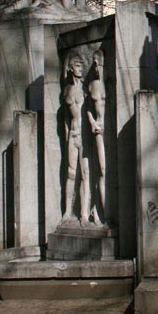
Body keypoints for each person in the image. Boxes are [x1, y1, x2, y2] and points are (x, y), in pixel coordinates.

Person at [62, 52, 90, 222]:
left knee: (85, 173)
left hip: (85, 135)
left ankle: (84, 214)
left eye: (81, 66)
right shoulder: (67, 90)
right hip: (73, 133)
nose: (80, 69)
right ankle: (67, 211)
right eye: (77, 66)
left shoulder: (86, 89)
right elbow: (67, 118)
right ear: (71, 68)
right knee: (71, 173)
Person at [85, 49, 106, 224]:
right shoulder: (93, 85)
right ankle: (99, 211)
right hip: (99, 129)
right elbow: (88, 109)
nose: (96, 65)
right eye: (94, 62)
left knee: (106, 171)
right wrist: (92, 122)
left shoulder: (112, 82)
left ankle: (102, 211)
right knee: (102, 169)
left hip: (111, 128)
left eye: (98, 61)